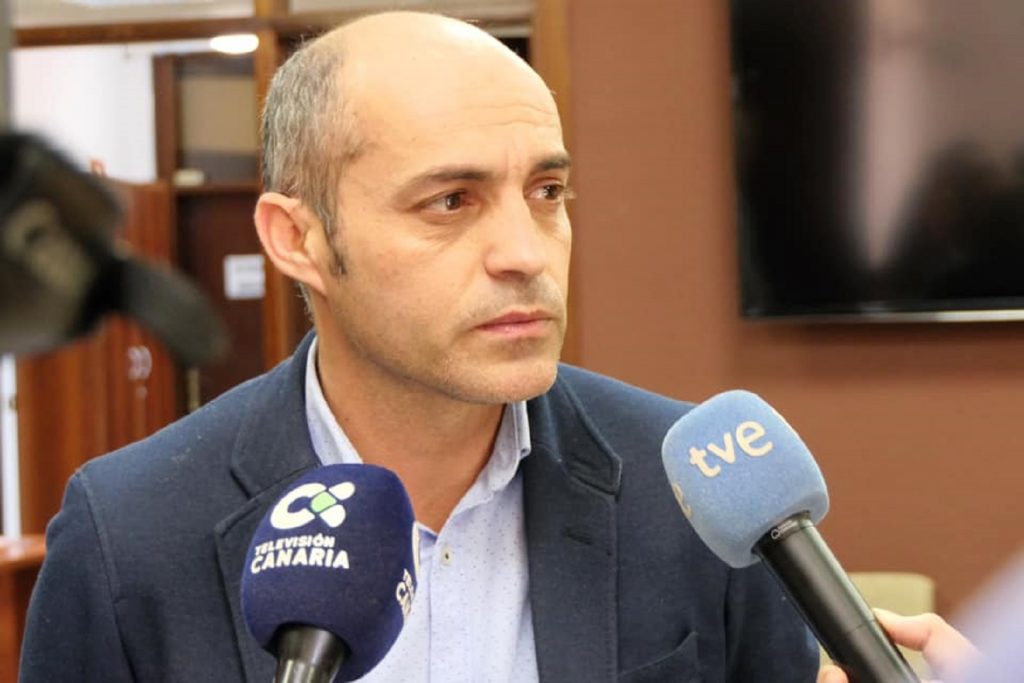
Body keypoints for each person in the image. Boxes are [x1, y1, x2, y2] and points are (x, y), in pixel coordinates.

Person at [19, 12, 818, 682]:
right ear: (297, 239)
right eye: (451, 201)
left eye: (546, 192)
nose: (526, 253)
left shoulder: (691, 492)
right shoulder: (130, 534)